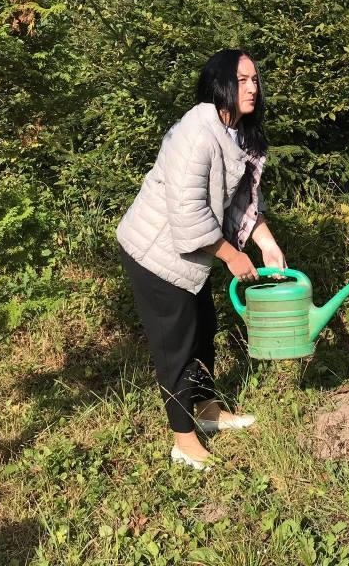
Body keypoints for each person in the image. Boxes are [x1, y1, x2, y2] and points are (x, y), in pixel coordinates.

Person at [116, 48, 286, 470]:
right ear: (221, 84)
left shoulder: (236, 132)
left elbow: (240, 203)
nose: (252, 87)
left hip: (189, 255)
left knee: (203, 328)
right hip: (155, 252)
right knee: (175, 343)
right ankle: (183, 440)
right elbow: (188, 213)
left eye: (255, 79)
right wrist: (231, 255)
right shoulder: (195, 134)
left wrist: (266, 243)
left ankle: (207, 412)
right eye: (243, 79)